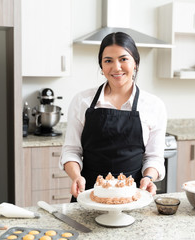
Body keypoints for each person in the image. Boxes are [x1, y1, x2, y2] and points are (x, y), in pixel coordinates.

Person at [60, 32, 167, 202]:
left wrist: (149, 178)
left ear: (136, 64)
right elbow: (71, 151)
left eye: (124, 59)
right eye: (108, 61)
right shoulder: (82, 101)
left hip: (134, 197)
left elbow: (153, 157)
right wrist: (76, 177)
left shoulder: (154, 105)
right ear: (101, 67)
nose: (116, 68)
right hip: (89, 195)